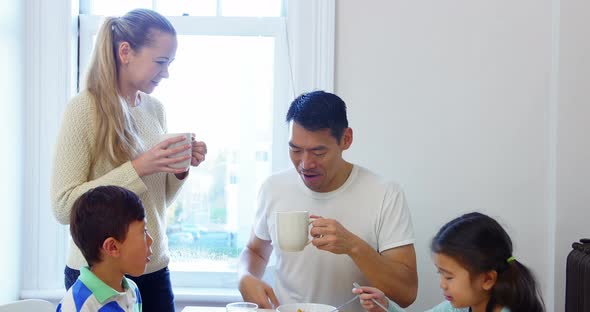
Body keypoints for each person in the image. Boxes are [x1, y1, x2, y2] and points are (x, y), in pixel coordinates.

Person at [50, 8, 207, 312]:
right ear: (125, 52)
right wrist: (139, 167)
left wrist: (179, 169)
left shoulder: (155, 110)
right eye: (160, 62)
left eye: (170, 63)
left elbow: (155, 204)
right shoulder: (83, 110)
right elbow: (63, 206)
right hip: (99, 274)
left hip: (153, 268)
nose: (166, 73)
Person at [238, 91, 418, 311]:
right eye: (295, 150)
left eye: (318, 152)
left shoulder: (385, 193)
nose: (305, 163)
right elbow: (255, 251)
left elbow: (407, 293)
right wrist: (245, 276)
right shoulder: (272, 188)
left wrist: (353, 246)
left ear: (346, 139)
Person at [353, 212, 545, 312]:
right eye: (441, 274)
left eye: (449, 276)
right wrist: (385, 305)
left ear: (487, 279)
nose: (442, 284)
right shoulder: (457, 307)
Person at [57, 186, 152, 312]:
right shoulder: (77, 305)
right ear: (112, 247)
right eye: (144, 232)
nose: (151, 240)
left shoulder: (132, 290)